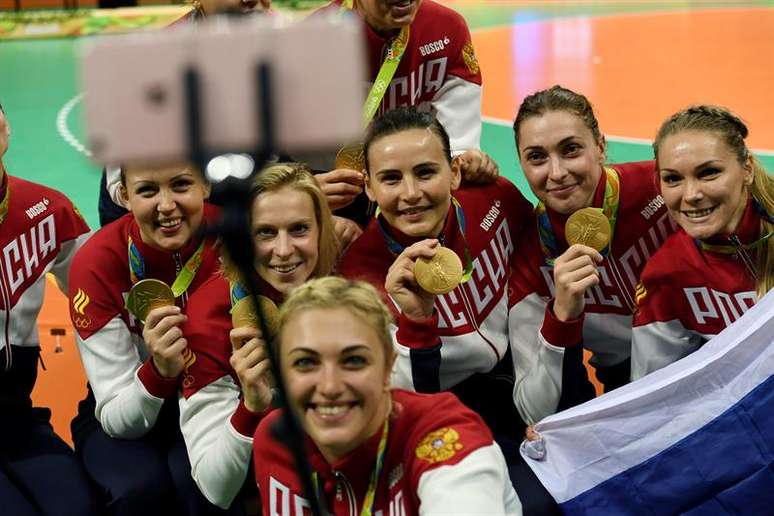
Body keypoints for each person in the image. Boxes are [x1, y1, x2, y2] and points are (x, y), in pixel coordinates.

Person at [339, 107, 532, 452]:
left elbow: (540, 263)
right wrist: (416, 321)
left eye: (426, 172)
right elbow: (401, 403)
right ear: (369, 187)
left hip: (525, 370)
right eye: (391, 179)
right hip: (443, 404)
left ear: (455, 171)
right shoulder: (358, 280)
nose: (411, 193)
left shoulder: (494, 198)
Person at [253, 276, 522, 515]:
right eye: (304, 363)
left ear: (388, 368)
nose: (330, 386)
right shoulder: (278, 441)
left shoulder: (442, 432)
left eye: (354, 360)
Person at [507, 85, 678, 426]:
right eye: (537, 157)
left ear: (600, 147)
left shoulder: (662, 185)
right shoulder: (529, 255)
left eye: (570, 150)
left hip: (707, 349)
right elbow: (533, 411)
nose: (556, 173)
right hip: (626, 385)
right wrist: (562, 316)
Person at [69, 162, 230, 515]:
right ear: (124, 196)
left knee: (203, 487)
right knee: (137, 489)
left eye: (181, 184)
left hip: (217, 399)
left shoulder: (237, 239)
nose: (166, 205)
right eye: (147, 190)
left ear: (205, 185)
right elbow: (114, 416)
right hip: (127, 406)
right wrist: (159, 371)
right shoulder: (97, 263)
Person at [178, 163, 339, 510]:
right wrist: (251, 407)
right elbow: (214, 485)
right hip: (250, 483)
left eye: (299, 229)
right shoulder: (210, 317)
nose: (283, 250)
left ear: (322, 230)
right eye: (265, 233)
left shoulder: (342, 289)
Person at [310, 0, 498, 227]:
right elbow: (282, 159)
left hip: (417, 181)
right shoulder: (313, 37)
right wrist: (305, 191)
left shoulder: (447, 28)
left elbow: (457, 141)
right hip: (338, 192)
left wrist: (463, 156)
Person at [0, 104, 99, 515]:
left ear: (4, 128)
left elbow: (98, 284)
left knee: (78, 507)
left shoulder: (46, 208)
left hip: (18, 418)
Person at [631, 105, 774, 379]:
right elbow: (653, 389)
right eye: (673, 178)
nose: (691, 194)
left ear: (747, 169)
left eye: (708, 173)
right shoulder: (666, 275)